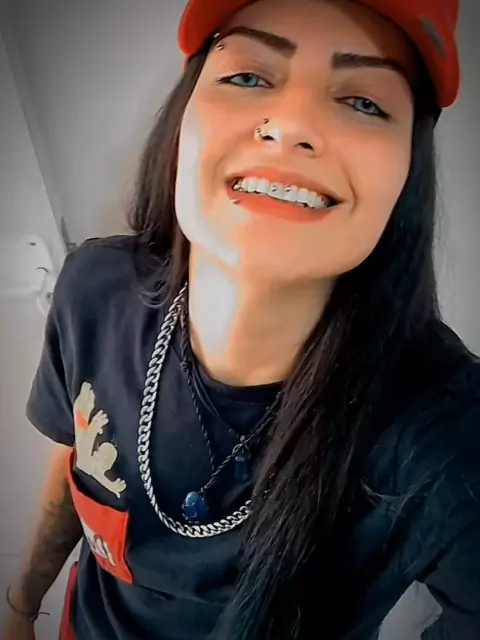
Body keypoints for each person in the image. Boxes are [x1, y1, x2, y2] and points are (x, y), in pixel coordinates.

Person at [2, 0, 479, 638]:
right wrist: (21, 605)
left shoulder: (444, 435)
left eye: (364, 102)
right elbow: (73, 461)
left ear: (408, 173)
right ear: (184, 117)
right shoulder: (94, 291)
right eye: (248, 76)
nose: (291, 125)